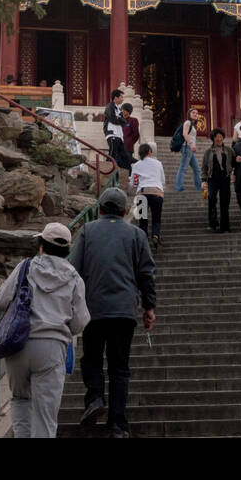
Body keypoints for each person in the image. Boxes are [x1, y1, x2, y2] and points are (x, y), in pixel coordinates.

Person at [70, 187, 156, 438]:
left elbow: (73, 270)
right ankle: (118, 424)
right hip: (124, 311)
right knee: (120, 368)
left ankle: (95, 397)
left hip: (93, 310)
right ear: (126, 210)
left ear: (100, 209)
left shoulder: (87, 230)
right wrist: (149, 306)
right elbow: (146, 274)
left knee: (91, 359)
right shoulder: (137, 235)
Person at [0, 221, 89, 438]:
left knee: (19, 399)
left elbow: (0, 301)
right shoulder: (74, 278)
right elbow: (80, 321)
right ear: (67, 250)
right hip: (51, 347)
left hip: (18, 343)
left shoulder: (25, 267)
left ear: (41, 246)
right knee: (45, 417)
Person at [131, 143, 166, 250]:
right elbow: (162, 180)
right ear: (149, 152)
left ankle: (143, 242)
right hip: (156, 193)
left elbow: (133, 183)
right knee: (156, 218)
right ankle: (155, 235)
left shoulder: (136, 165)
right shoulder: (158, 163)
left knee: (143, 220)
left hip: (142, 193)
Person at [202, 128, 233, 232]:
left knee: (225, 201)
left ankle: (225, 226)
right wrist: (203, 180)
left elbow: (234, 162)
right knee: (212, 199)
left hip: (225, 178)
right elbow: (204, 167)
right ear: (213, 138)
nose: (219, 138)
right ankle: (213, 223)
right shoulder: (208, 152)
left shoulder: (228, 150)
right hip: (212, 179)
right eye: (216, 136)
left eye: (220, 136)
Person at [102, 89, 133, 174]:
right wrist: (120, 120)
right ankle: (106, 170)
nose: (122, 99)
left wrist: (120, 119)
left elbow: (124, 121)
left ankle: (128, 174)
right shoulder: (109, 107)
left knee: (124, 155)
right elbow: (112, 119)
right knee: (112, 152)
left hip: (119, 135)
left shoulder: (118, 109)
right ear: (116, 98)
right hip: (112, 134)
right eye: (121, 97)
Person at [174, 106, 202, 191]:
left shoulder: (192, 125)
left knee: (197, 169)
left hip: (190, 149)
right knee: (183, 168)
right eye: (193, 112)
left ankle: (199, 188)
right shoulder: (187, 122)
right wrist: (191, 144)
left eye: (196, 113)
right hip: (187, 147)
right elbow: (184, 134)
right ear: (189, 114)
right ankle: (178, 188)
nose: (195, 114)